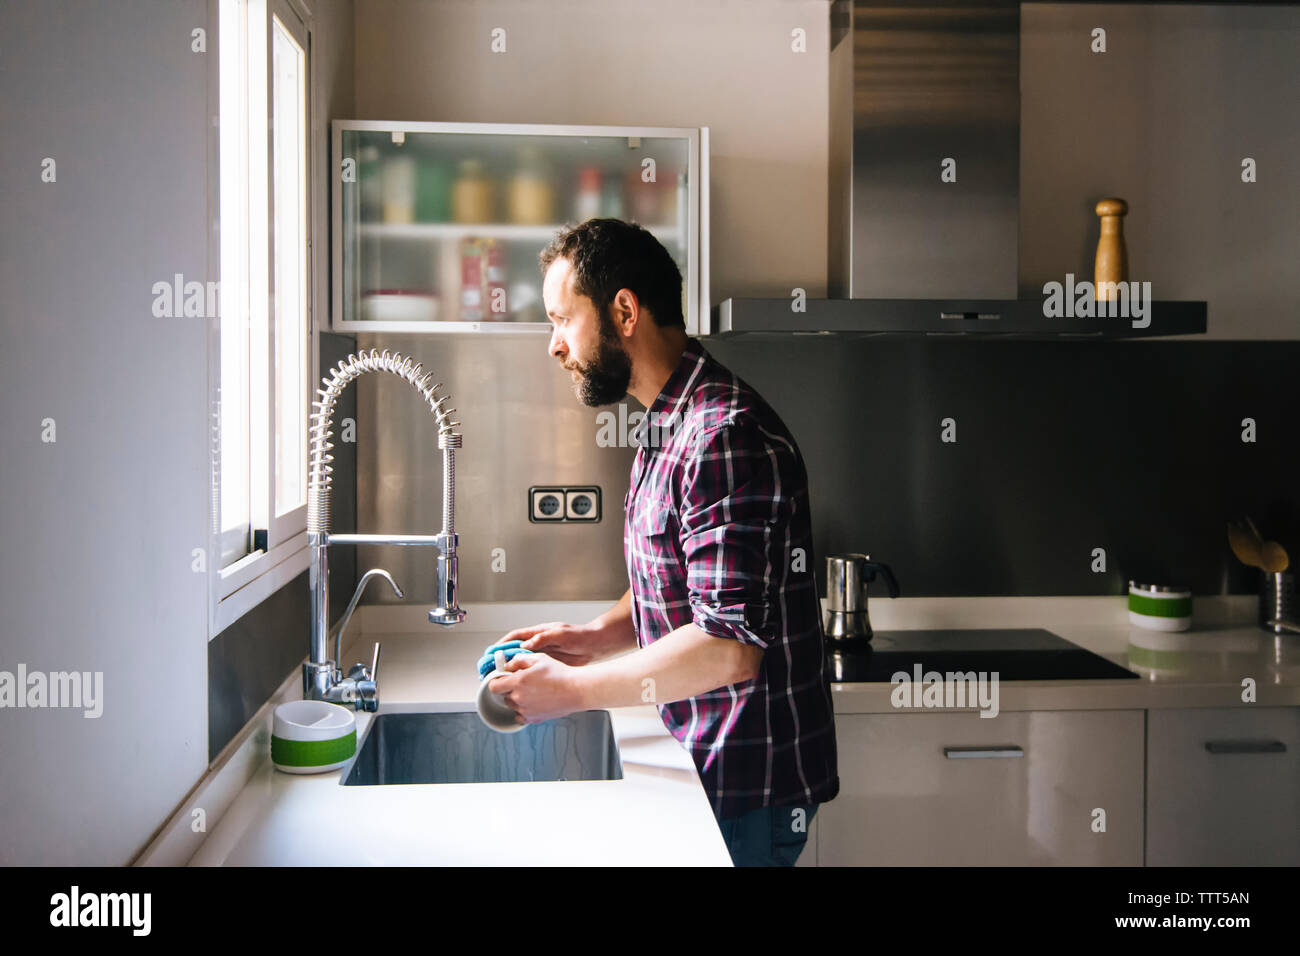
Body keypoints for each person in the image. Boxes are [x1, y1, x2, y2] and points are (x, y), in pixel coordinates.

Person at [488, 218, 838, 866]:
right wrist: (593, 637)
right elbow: (680, 582)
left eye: (563, 319)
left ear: (624, 310)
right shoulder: (667, 422)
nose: (554, 346)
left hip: (746, 788)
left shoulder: (724, 434)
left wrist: (570, 691)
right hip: (700, 761)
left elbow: (726, 647)